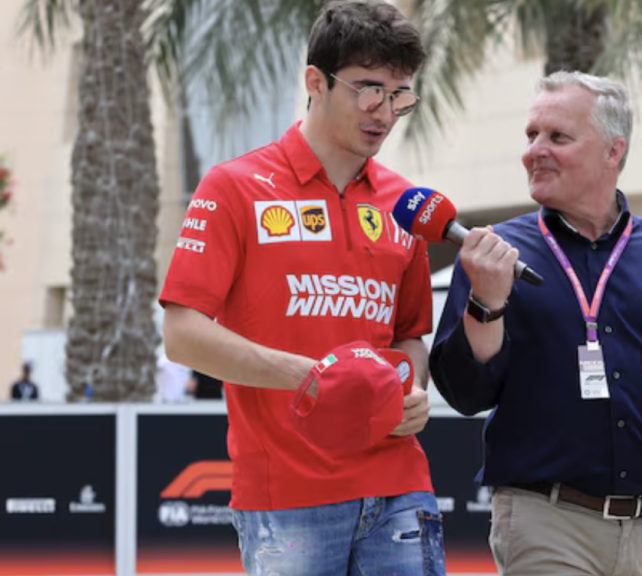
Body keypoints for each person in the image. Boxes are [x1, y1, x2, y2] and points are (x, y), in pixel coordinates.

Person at [159, 2, 443, 574]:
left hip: (401, 482)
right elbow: (182, 335)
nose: (384, 111)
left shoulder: (405, 203)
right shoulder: (233, 187)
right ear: (315, 81)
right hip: (287, 496)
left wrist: (407, 392)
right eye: (368, 89)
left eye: (399, 95)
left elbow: (410, 335)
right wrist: (314, 380)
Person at [429, 70, 642, 576]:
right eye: (531, 135)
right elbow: (466, 395)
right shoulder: (495, 253)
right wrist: (487, 302)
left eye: (557, 136)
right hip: (548, 523)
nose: (534, 150)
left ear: (612, 151)